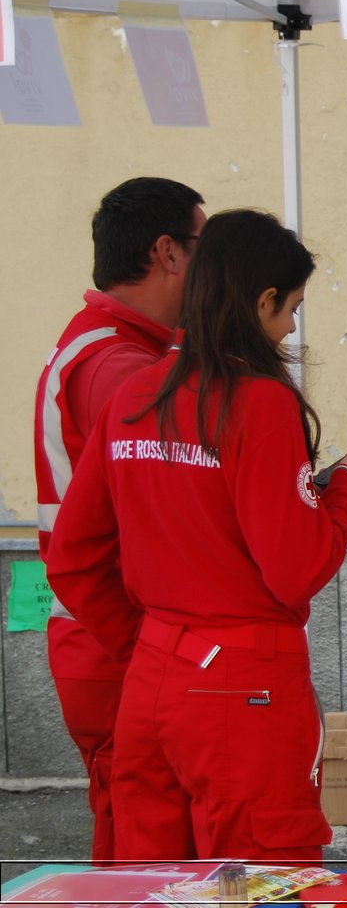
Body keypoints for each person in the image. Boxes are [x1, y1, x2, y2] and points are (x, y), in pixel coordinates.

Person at [47, 209, 347, 863]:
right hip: (243, 684)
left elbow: (73, 555)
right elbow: (294, 569)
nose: (291, 328)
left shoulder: (134, 392)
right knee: (260, 878)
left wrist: (147, 641)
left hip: (154, 679)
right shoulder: (261, 402)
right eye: (291, 309)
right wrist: (337, 495)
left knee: (154, 878)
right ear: (261, 300)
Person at [33, 176, 205, 862]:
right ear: (168, 252)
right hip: (120, 638)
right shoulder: (118, 367)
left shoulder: (112, 348)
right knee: (146, 854)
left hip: (112, 635)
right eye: (205, 247)